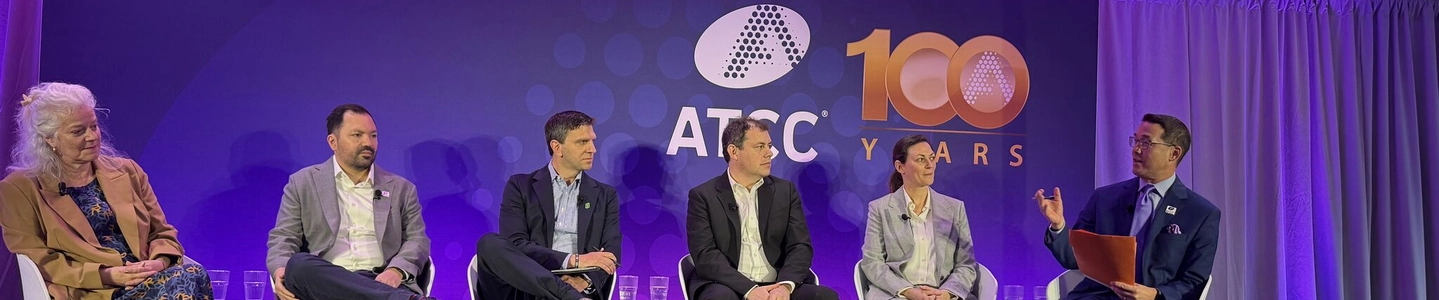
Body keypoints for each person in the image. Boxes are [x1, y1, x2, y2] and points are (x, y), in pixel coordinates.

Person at [0, 82, 212, 300]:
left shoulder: (128, 171)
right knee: (185, 279)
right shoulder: (19, 189)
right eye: (78, 131)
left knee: (191, 274)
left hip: (150, 278)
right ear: (49, 138)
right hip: (94, 290)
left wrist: (158, 263)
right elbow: (39, 260)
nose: (92, 137)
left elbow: (162, 233)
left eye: (93, 126)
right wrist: (108, 275)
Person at [1037, 114, 1220, 300]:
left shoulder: (1200, 214)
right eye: (1136, 140)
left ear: (1174, 153)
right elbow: (1073, 258)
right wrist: (1058, 226)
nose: (1136, 150)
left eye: (1147, 143)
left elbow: (1194, 282)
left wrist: (1155, 294)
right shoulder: (1105, 198)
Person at [266, 104, 432, 300]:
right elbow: (283, 237)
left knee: (368, 286)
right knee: (299, 264)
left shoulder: (401, 189)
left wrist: (396, 271)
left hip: (379, 279)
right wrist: (280, 270)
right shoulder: (303, 183)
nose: (367, 142)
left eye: (373, 135)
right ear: (333, 142)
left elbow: (417, 240)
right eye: (357, 135)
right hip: (323, 283)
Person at [685, 117, 839, 300]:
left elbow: (800, 247)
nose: (769, 153)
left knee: (825, 296)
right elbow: (705, 256)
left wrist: (785, 286)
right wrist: (749, 290)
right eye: (760, 147)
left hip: (777, 285)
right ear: (733, 151)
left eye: (769, 145)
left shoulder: (785, 192)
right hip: (727, 285)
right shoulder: (704, 196)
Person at [473, 110, 622, 300]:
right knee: (489, 243)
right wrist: (574, 261)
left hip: (578, 286)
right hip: (525, 288)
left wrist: (584, 282)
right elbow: (515, 244)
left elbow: (610, 253)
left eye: (592, 141)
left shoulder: (605, 195)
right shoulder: (520, 186)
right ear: (557, 147)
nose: (592, 149)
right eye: (583, 142)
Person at [859, 135, 978, 299]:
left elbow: (966, 264)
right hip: (897, 294)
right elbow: (872, 262)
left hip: (941, 293)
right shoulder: (880, 209)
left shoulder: (954, 209)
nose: (930, 165)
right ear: (900, 167)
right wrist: (908, 291)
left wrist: (947, 293)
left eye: (932, 158)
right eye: (921, 160)